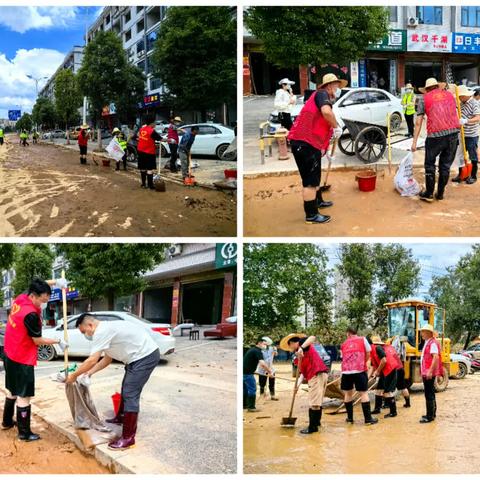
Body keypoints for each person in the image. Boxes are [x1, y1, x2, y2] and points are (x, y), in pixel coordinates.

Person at [65, 313, 160, 450]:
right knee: (126, 387)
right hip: (136, 358)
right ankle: (121, 417)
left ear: (90, 325)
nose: (86, 335)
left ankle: (128, 438)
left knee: (130, 393)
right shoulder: (107, 331)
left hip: (145, 356)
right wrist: (89, 373)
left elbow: (92, 359)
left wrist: (74, 376)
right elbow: (106, 360)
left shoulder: (101, 332)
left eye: (84, 331)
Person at [2, 279, 67, 441]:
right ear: (33, 296)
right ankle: (24, 433)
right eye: (43, 300)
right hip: (21, 357)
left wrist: (57, 282)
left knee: (12, 389)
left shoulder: (21, 298)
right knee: (24, 396)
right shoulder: (30, 314)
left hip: (9, 351)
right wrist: (58, 341)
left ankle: (7, 421)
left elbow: (38, 282)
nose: (44, 304)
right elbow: (37, 341)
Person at [287, 73, 346, 225]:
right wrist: (336, 126)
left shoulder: (321, 98)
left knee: (314, 176)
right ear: (329, 85)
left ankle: (318, 201)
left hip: (308, 144)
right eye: (336, 86)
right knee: (310, 182)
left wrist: (324, 150)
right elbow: (326, 113)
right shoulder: (321, 94)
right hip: (305, 144)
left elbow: (322, 126)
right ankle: (311, 215)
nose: (338, 89)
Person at [411, 78, 460, 202]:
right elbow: (454, 113)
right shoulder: (449, 95)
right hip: (453, 134)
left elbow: (418, 122)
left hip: (435, 137)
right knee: (445, 166)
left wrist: (414, 142)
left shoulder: (424, 98)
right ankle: (440, 193)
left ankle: (429, 193)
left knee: (429, 164)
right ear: (437, 86)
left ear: (426, 89)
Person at [283, 334, 329, 434]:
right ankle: (316, 423)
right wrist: (297, 386)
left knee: (314, 403)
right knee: (317, 401)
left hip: (316, 374)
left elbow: (313, 337)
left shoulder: (303, 344)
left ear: (292, 343)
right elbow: (302, 374)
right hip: (318, 375)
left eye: (290, 346)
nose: (290, 349)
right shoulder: (298, 356)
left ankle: (312, 428)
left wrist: (301, 348)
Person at [340, 326, 377, 425]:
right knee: (363, 393)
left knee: (348, 394)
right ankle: (368, 419)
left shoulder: (343, 344)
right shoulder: (363, 339)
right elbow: (369, 352)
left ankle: (350, 419)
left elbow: (342, 357)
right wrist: (364, 361)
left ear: (348, 333)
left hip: (346, 372)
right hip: (359, 370)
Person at [451, 85, 480, 184]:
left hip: (472, 135)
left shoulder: (474, 103)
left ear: (464, 95)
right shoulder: (461, 103)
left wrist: (466, 120)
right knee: (460, 155)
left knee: (472, 155)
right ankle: (461, 175)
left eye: (460, 96)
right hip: (462, 134)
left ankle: (473, 176)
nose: (458, 98)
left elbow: (477, 118)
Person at [368, 336, 401, 418]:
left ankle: (393, 412)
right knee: (378, 390)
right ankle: (377, 409)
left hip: (390, 369)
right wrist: (367, 379)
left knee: (387, 392)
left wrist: (378, 371)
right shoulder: (371, 351)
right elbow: (372, 367)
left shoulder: (378, 348)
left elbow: (384, 360)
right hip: (384, 371)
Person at [419, 324, 442, 423]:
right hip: (427, 371)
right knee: (430, 392)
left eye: (423, 331)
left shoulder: (432, 343)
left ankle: (429, 416)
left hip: (428, 372)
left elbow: (436, 357)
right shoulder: (428, 342)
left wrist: (430, 371)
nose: (421, 333)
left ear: (429, 333)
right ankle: (432, 413)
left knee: (428, 393)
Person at [243, 337, 273, 413]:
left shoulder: (252, 349)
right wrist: (270, 372)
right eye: (264, 344)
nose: (265, 346)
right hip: (247, 374)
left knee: (245, 389)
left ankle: (245, 405)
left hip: (244, 372)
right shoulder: (257, 351)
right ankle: (251, 407)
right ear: (259, 343)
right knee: (252, 389)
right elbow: (262, 364)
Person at [137, 116, 163, 189]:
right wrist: (170, 140)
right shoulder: (151, 131)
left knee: (142, 168)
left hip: (140, 151)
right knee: (149, 169)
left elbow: (139, 137)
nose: (155, 124)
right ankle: (150, 185)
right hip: (149, 152)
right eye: (155, 122)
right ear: (151, 123)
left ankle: (143, 184)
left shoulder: (141, 129)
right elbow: (161, 139)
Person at [391, 335, 411, 408]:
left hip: (396, 370)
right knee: (403, 387)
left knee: (391, 388)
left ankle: (389, 405)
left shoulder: (390, 352)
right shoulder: (396, 353)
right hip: (401, 369)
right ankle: (408, 403)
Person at [256, 336, 278, 401]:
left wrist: (275, 351)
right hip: (262, 369)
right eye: (264, 344)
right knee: (262, 384)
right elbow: (261, 362)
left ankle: (272, 395)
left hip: (271, 368)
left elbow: (276, 354)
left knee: (272, 383)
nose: (265, 345)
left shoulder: (272, 348)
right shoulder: (259, 350)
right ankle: (262, 395)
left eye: (267, 344)